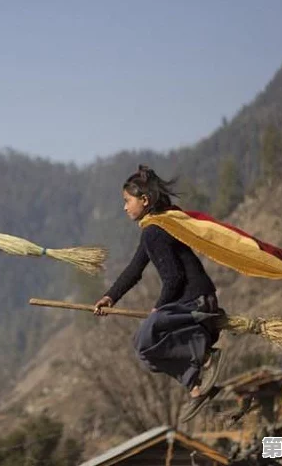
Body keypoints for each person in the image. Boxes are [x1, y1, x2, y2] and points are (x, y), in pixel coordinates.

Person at [94, 165, 227, 423]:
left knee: (146, 336)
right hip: (191, 305)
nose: (124, 208)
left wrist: (159, 309)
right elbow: (135, 268)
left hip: (197, 304)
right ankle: (196, 387)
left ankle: (206, 355)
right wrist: (111, 296)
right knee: (146, 352)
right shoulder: (152, 230)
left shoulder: (156, 231)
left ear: (144, 200)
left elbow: (174, 278)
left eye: (126, 201)